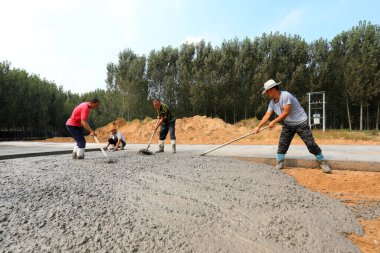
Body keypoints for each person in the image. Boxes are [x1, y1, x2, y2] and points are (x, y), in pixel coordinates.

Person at [254, 79, 331, 173]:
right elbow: (267, 115)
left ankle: (322, 161)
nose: (266, 94)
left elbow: (286, 112)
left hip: (300, 122)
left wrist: (273, 122)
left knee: (310, 143)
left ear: (273, 89)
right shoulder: (272, 102)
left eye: (267, 91)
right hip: (288, 124)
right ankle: (279, 163)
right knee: (282, 144)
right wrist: (259, 127)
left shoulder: (285, 96)